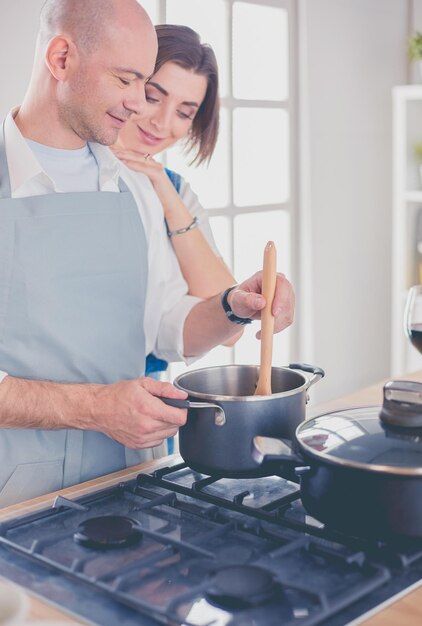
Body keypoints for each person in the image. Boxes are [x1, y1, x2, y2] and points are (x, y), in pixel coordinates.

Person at [0, 0, 295, 507]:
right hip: (11, 497)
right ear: (61, 59)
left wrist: (232, 307)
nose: (141, 107)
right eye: (128, 81)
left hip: (128, 481)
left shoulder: (137, 186)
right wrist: (94, 407)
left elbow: (166, 325)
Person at [112, 24, 241, 378]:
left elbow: (230, 322)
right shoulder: (71, 169)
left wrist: (165, 192)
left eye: (184, 112)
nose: (162, 123)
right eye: (153, 97)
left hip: (150, 399)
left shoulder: (176, 190)